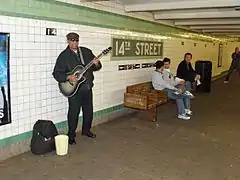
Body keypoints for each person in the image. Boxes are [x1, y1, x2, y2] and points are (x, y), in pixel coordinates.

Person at [52, 32, 102, 145]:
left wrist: (97, 63)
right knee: (73, 113)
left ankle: (86, 130)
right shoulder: (63, 56)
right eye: (72, 40)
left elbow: (96, 67)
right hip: (74, 89)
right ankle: (71, 135)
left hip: (87, 87)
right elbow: (56, 73)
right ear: (68, 41)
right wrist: (68, 77)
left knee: (88, 111)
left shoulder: (86, 51)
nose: (74, 43)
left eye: (76, 40)